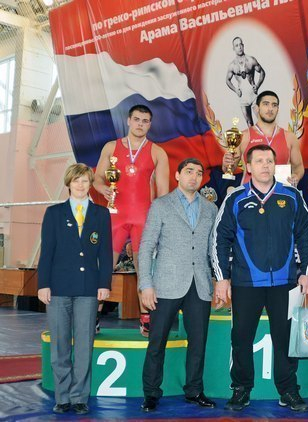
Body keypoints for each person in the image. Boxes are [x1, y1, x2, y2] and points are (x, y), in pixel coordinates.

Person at [212, 144, 308, 412]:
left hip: (285, 282)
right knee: (241, 338)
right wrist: (222, 278)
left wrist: (306, 272)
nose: (265, 166)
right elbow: (220, 239)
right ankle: (241, 389)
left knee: (285, 339)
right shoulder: (235, 199)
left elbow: (305, 235)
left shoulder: (291, 196)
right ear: (248, 167)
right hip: (246, 283)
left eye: (269, 161)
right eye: (259, 161)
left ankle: (288, 391)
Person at [138, 158, 217, 412]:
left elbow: (213, 249)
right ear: (177, 175)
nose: (194, 177)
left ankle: (194, 391)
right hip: (165, 283)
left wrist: (218, 280)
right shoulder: (161, 205)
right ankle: (151, 392)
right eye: (189, 171)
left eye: (199, 173)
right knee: (157, 341)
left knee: (198, 343)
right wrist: (145, 284)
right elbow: (146, 246)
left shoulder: (211, 209)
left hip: (200, 284)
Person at [37, 163, 112, 415]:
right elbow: (46, 252)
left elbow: (105, 253)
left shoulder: (101, 214)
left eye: (85, 181)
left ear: (91, 184)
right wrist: (43, 284)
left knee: (83, 345)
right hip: (58, 288)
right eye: (76, 180)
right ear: (69, 183)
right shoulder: (54, 213)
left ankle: (80, 396)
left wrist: (104, 284)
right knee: (59, 345)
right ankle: (62, 397)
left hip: (88, 289)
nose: (81, 185)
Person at [94, 104, 169, 336]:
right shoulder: (111, 147)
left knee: (143, 269)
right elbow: (97, 178)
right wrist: (104, 189)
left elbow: (163, 194)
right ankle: (92, 317)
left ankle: (146, 318)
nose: (140, 124)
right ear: (128, 120)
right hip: (115, 215)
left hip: (143, 218)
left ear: (150, 124)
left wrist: (160, 223)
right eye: (137, 119)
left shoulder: (157, 152)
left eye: (145, 121)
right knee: (103, 268)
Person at [222, 90, 304, 186]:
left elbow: (298, 168)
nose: (270, 109)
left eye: (274, 105)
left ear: (278, 109)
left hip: (281, 193)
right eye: (266, 104)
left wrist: (296, 176)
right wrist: (226, 164)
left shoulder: (290, 137)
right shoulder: (244, 136)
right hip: (250, 193)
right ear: (257, 108)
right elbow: (230, 169)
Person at [226, 36, 265, 127]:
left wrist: (257, 85)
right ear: (233, 48)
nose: (239, 47)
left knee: (262, 120)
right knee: (249, 124)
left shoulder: (251, 60)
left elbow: (262, 72)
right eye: (236, 45)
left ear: (243, 46)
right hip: (243, 97)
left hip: (253, 95)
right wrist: (235, 90)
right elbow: (227, 80)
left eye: (240, 44)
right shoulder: (232, 65)